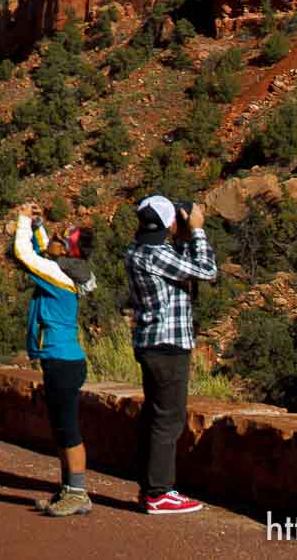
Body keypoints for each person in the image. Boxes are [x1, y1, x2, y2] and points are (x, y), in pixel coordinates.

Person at [123, 194, 218, 515]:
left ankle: (152, 487)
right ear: (169, 223)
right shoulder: (157, 254)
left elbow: (179, 265)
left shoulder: (137, 251)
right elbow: (206, 271)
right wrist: (199, 231)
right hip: (169, 345)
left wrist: (180, 234)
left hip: (150, 343)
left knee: (155, 416)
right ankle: (158, 493)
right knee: (169, 419)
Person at [12, 202, 97, 518]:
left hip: (62, 362)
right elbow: (43, 251)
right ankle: (69, 490)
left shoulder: (58, 274)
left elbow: (25, 255)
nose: (55, 238)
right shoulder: (64, 270)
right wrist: (37, 226)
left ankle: (78, 492)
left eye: (60, 237)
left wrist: (21, 221)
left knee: (68, 428)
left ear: (68, 252)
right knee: (62, 428)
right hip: (62, 361)